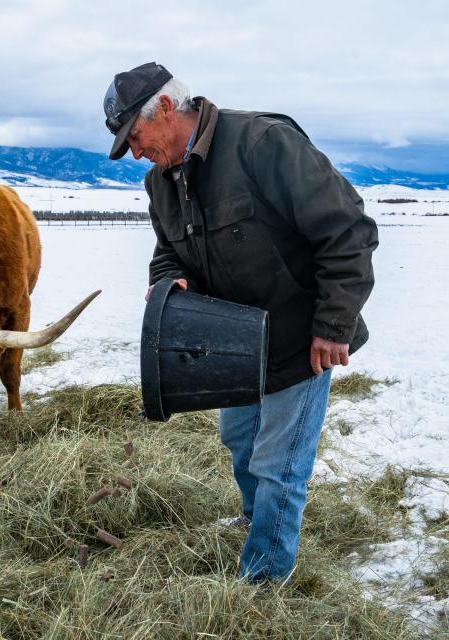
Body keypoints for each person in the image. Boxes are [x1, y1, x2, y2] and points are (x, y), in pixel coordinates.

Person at [104, 62, 379, 584]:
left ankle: (263, 584)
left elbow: (348, 229)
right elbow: (168, 252)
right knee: (240, 443)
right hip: (231, 343)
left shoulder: (262, 142)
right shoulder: (160, 182)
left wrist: (335, 323)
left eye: (134, 138)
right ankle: (259, 521)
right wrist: (171, 283)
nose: (135, 152)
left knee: (279, 464)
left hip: (300, 339)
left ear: (165, 108)